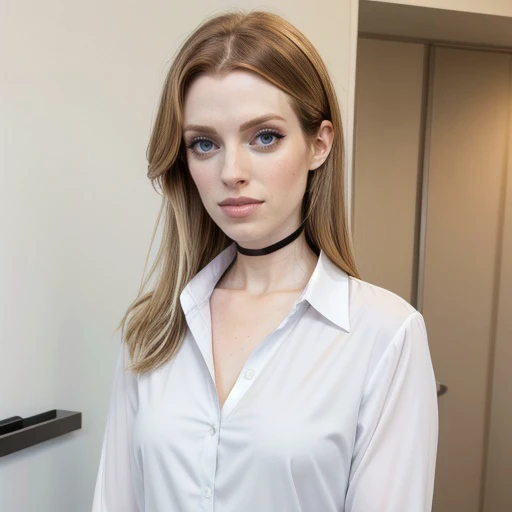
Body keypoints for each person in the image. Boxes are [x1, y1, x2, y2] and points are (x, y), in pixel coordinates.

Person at [91, 8, 438, 512]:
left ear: (319, 143)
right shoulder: (154, 328)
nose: (232, 171)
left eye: (264, 137)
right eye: (204, 143)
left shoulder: (385, 335)